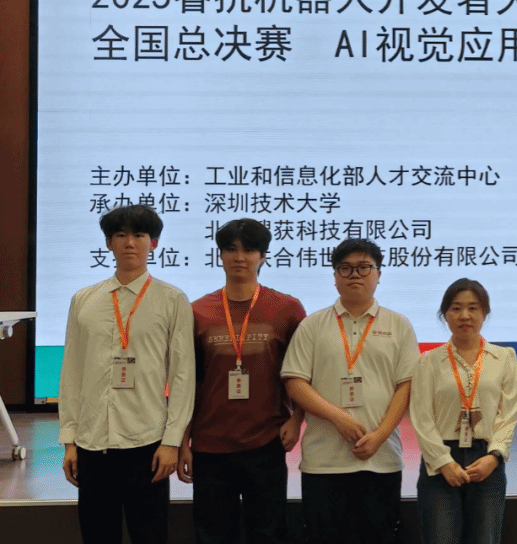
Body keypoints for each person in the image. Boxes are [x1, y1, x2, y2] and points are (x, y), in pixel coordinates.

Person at [58, 204, 195, 544]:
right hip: (92, 442)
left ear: (154, 243)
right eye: (120, 235)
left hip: (147, 444)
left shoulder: (172, 300)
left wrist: (172, 442)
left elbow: (183, 376)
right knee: (97, 534)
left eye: (139, 235)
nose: (129, 243)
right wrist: (70, 441)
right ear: (109, 243)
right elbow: (72, 372)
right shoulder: (83, 300)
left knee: (149, 535)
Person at [178, 218, 307, 544]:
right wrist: (182, 442)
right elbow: (187, 384)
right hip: (209, 444)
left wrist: (298, 419)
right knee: (212, 535)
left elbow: (303, 374)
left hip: (266, 441)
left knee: (268, 534)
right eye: (230, 249)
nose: (239, 257)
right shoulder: (197, 311)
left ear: (262, 256)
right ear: (219, 255)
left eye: (249, 250)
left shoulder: (287, 309)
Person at [281, 238, 418, 544]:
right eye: (345, 268)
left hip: (381, 459)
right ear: (335, 276)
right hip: (323, 461)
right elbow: (295, 382)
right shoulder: (312, 325)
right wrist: (338, 417)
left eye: (364, 267)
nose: (355, 274)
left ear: (379, 274)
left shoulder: (399, 325)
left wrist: (379, 436)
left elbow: (406, 386)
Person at [411, 278, 517, 544]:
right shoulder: (428, 361)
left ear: (485, 313)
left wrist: (494, 457)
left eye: (473, 308)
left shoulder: (504, 358)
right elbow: (421, 417)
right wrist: (444, 463)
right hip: (440, 465)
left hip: (487, 461)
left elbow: (508, 414)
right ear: (445, 314)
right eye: (456, 308)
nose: (465, 315)